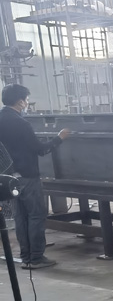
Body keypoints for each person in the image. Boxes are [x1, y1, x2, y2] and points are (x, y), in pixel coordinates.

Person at [0, 84, 69, 268]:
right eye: (27, 100)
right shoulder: (21, 123)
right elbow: (40, 149)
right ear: (20, 102)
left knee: (20, 217)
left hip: (9, 179)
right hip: (27, 176)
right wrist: (59, 138)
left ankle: (26, 257)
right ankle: (37, 258)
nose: (27, 103)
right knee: (36, 215)